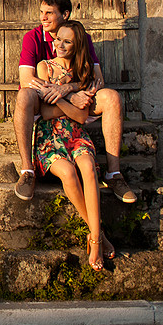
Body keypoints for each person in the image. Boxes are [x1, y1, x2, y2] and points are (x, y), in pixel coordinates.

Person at [13, 0, 136, 204]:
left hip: (78, 99)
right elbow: (27, 80)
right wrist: (65, 95)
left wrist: (69, 88)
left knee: (112, 97)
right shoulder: (32, 38)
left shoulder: (81, 38)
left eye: (49, 13)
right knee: (24, 96)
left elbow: (97, 81)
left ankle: (113, 174)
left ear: (65, 14)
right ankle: (28, 171)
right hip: (44, 101)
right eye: (42, 12)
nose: (43, 18)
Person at [32, 20, 114, 270]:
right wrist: (69, 100)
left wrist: (60, 96)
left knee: (88, 168)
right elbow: (45, 113)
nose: (59, 45)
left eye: (67, 41)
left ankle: (95, 239)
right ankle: (98, 236)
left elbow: (80, 117)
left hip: (76, 133)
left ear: (77, 45)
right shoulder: (44, 67)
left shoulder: (84, 74)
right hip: (48, 136)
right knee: (68, 172)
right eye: (58, 39)